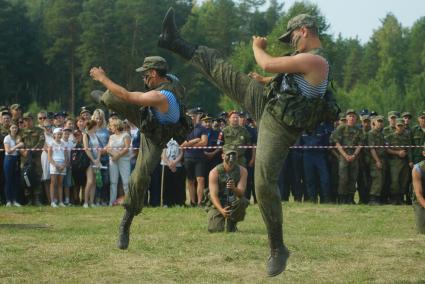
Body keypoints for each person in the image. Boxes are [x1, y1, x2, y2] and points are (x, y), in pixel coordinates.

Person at [158, 9, 338, 276]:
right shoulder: (305, 60)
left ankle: (277, 248)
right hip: (267, 102)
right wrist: (265, 81)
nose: (291, 43)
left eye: (292, 38)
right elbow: (287, 81)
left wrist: (257, 47)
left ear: (304, 31)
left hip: (279, 126)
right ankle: (174, 41)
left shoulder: (317, 62)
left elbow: (266, 63)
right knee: (222, 70)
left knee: (263, 183)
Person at [89, 55, 191, 250]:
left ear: (154, 73)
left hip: (154, 138)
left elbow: (128, 96)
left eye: (146, 75)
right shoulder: (172, 79)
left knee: (138, 178)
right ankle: (105, 99)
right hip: (148, 118)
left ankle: (126, 222)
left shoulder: (160, 96)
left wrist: (102, 77)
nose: (144, 79)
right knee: (112, 96)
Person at [206, 144, 249, 232]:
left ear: (237, 156)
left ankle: (232, 223)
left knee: (242, 201)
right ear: (222, 156)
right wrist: (221, 210)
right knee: (214, 229)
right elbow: (213, 195)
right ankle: (220, 218)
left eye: (234, 155)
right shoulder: (214, 172)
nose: (231, 158)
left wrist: (233, 188)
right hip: (218, 202)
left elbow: (241, 193)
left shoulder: (243, 171)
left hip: (233, 200)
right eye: (228, 155)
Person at [331, 109, 363, 204]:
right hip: (343, 155)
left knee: (353, 178)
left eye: (353, 116)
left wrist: (354, 155)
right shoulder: (341, 128)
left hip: (354, 155)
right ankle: (342, 198)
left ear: (356, 118)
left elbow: (360, 144)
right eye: (349, 116)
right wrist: (345, 155)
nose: (351, 118)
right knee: (343, 178)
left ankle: (350, 198)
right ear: (346, 117)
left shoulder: (359, 130)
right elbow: (336, 143)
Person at [181, 107, 208, 206]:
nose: (193, 118)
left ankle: (200, 202)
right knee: (190, 180)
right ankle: (192, 201)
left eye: (194, 116)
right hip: (188, 157)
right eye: (191, 116)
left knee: (200, 180)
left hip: (200, 157)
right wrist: (196, 140)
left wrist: (189, 144)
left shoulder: (202, 128)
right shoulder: (185, 128)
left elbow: (204, 143)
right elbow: (182, 144)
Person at [385, 118, 413, 205]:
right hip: (394, 162)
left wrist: (410, 161)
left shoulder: (406, 137)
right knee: (395, 181)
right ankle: (393, 198)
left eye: (402, 126)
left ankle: (400, 199)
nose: (400, 128)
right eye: (398, 126)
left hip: (404, 162)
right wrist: (397, 152)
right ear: (395, 126)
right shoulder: (389, 137)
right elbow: (386, 149)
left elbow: (409, 150)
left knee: (403, 180)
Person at [19, 112, 45, 205]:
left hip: (36, 158)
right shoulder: (21, 132)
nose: (27, 122)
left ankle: (37, 198)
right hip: (25, 159)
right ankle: (29, 199)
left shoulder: (39, 130)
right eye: (25, 120)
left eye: (28, 119)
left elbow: (41, 141)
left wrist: (32, 150)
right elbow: (19, 143)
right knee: (26, 177)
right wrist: (24, 152)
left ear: (32, 120)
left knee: (37, 176)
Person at [106, 119, 131, 206]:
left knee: (126, 182)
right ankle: (111, 202)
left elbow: (127, 148)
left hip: (124, 160)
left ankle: (128, 202)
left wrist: (118, 155)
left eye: (112, 126)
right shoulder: (111, 137)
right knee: (113, 182)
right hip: (113, 160)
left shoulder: (126, 135)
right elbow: (108, 148)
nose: (110, 127)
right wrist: (113, 155)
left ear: (116, 126)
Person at [3, 123, 24, 206]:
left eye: (16, 128)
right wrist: (18, 146)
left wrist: (19, 144)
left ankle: (15, 200)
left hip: (16, 159)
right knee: (8, 180)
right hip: (9, 159)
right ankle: (8, 200)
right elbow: (8, 150)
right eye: (13, 128)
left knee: (15, 180)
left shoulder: (18, 138)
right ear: (10, 129)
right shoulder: (7, 138)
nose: (14, 129)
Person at [367, 115, 387, 205]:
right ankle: (373, 199)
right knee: (377, 179)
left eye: (381, 121)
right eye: (378, 121)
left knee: (381, 179)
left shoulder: (381, 134)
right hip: (375, 160)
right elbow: (372, 149)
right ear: (374, 123)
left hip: (383, 159)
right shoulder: (371, 134)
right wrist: (377, 161)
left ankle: (378, 199)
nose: (380, 123)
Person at [161, 138, 185, 207]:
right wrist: (169, 164)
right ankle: (166, 203)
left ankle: (178, 202)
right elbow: (163, 154)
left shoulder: (180, 138)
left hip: (177, 165)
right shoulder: (165, 138)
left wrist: (174, 163)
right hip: (166, 164)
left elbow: (181, 153)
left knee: (177, 185)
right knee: (167, 185)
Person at [48, 128, 68, 207]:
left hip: (62, 164)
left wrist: (64, 165)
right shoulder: (51, 143)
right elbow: (49, 157)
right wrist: (56, 165)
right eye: (58, 134)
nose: (59, 135)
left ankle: (60, 201)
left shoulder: (64, 144)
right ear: (54, 135)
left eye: (60, 134)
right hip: (54, 164)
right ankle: (52, 202)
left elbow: (66, 156)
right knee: (53, 183)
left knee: (60, 183)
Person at [82, 120, 101, 208]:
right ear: (93, 126)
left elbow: (99, 148)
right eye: (96, 126)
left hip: (96, 160)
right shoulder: (86, 135)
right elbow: (86, 149)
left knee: (94, 182)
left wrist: (98, 159)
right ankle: (85, 202)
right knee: (89, 181)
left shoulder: (95, 135)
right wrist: (93, 159)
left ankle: (91, 202)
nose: (97, 127)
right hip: (89, 160)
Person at [412, 158, 425, 234]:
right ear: (424, 153)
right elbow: (418, 194)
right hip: (421, 198)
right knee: (422, 231)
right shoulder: (417, 169)